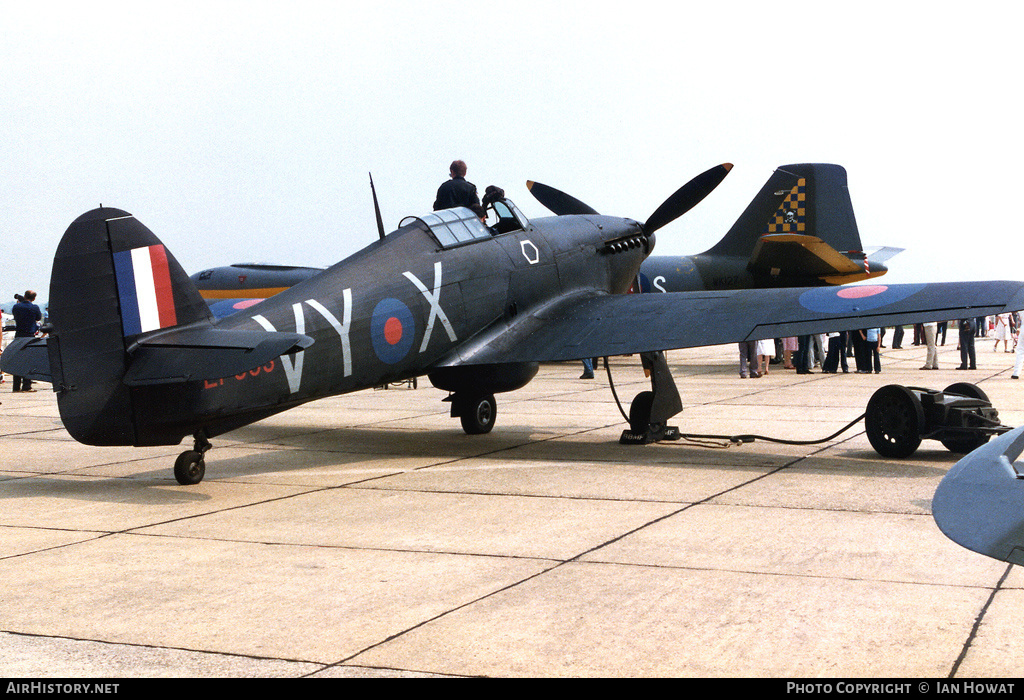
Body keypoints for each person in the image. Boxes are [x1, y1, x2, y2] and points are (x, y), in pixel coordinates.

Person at [12, 290, 42, 392]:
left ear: (24, 296)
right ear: (33, 298)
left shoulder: (16, 307)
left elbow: (15, 314)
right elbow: (38, 317)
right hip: (29, 335)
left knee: (16, 360)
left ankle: (16, 386)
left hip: (18, 335)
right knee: (28, 360)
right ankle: (26, 385)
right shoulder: (34, 307)